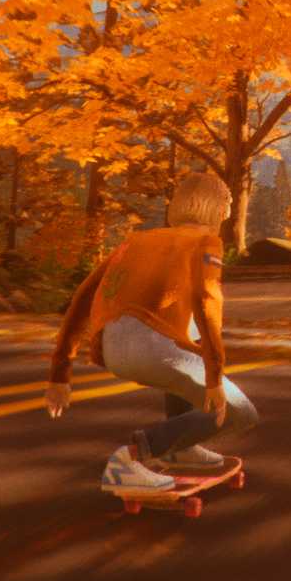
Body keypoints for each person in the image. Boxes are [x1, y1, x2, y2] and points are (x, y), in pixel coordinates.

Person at [46, 172, 259, 492]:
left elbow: (82, 298)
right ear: (218, 211)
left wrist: (60, 372)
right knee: (240, 412)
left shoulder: (133, 241)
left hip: (112, 348)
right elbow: (207, 301)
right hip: (152, 349)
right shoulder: (206, 243)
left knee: (187, 343)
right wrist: (214, 377)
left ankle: (179, 449)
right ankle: (132, 456)